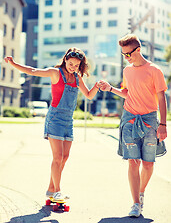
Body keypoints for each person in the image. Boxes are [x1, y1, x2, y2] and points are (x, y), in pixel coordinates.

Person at [4, 47, 100, 201]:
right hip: (55, 118)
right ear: (66, 60)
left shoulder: (77, 77)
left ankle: (51, 189)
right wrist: (14, 64)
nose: (73, 67)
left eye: (77, 65)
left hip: (69, 120)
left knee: (65, 156)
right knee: (58, 157)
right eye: (71, 64)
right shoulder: (56, 73)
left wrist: (97, 86)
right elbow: (33, 71)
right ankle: (57, 191)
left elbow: (89, 95)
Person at [98, 34, 167, 217]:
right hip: (129, 119)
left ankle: (141, 192)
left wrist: (163, 124)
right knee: (133, 162)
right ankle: (136, 203)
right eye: (123, 55)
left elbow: (161, 98)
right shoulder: (127, 71)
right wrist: (110, 88)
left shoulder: (155, 70)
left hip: (150, 120)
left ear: (138, 50)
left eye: (128, 54)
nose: (126, 58)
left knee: (148, 164)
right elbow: (127, 93)